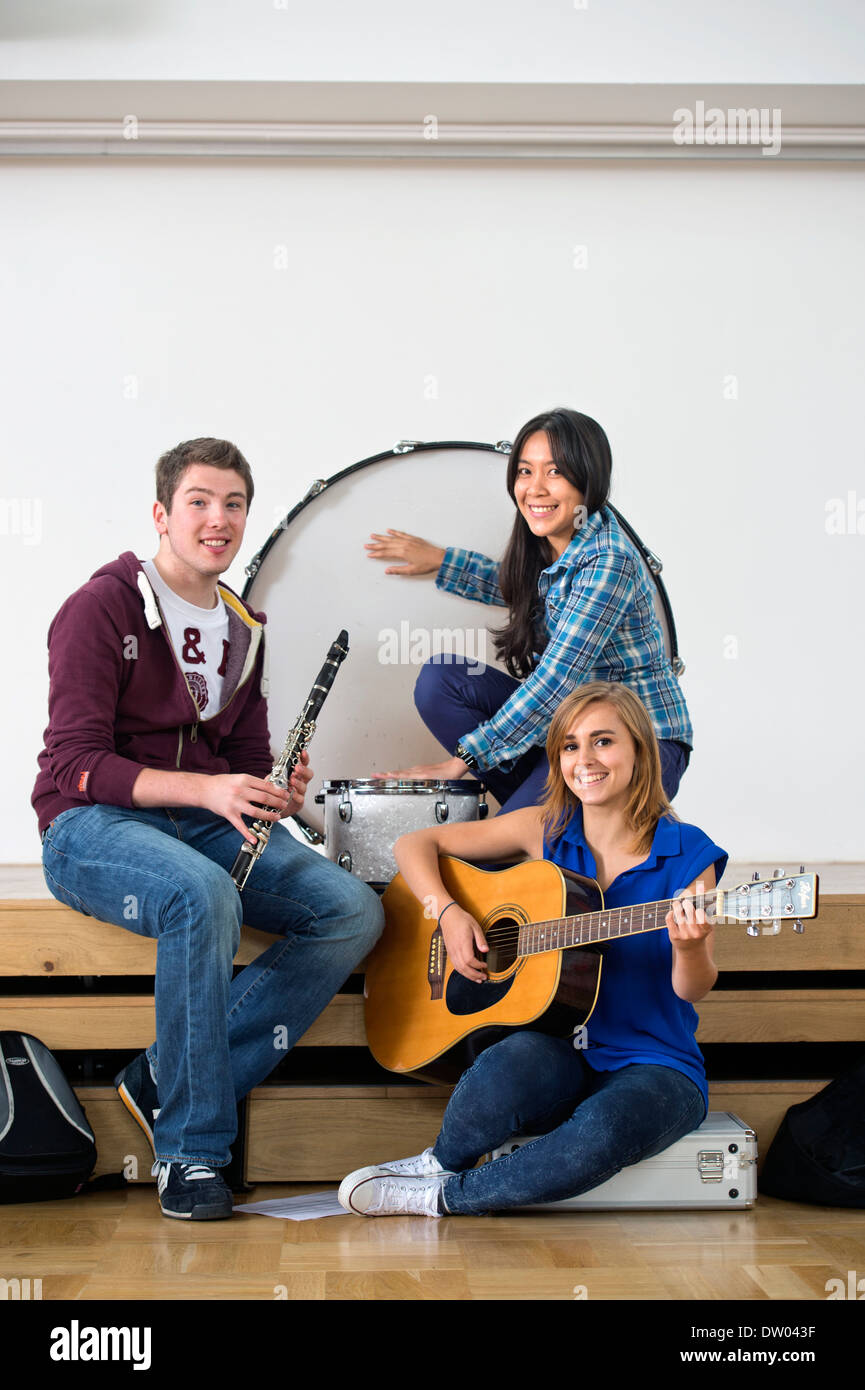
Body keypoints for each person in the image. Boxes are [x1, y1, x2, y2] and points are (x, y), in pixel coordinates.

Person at [33, 437, 383, 1221]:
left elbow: (245, 757)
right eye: (198, 501)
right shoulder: (101, 608)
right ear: (162, 514)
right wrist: (207, 788)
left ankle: (165, 1072)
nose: (217, 519)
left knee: (352, 911)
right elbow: (76, 764)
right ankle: (190, 1151)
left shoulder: (243, 625)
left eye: (232, 504)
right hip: (92, 826)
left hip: (199, 823)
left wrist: (273, 790)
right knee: (200, 897)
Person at [338, 680, 725, 1218]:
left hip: (656, 1063)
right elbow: (413, 844)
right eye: (569, 746)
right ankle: (442, 1161)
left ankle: (441, 1198)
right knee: (505, 1064)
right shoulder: (545, 828)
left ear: (640, 749)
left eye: (603, 741)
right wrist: (448, 914)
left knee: (603, 1130)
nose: (584, 759)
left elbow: (693, 988)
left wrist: (690, 947)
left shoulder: (688, 854)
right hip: (561, 1049)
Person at [365, 408, 693, 809]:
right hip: (571, 736)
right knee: (441, 681)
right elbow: (519, 587)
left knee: (494, 860)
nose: (534, 488)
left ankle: (552, 829)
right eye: (524, 471)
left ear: (588, 479)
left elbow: (557, 679)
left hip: (638, 743)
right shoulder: (552, 543)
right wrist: (441, 559)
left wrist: (461, 762)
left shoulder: (610, 561)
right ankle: (549, 820)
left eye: (554, 472)